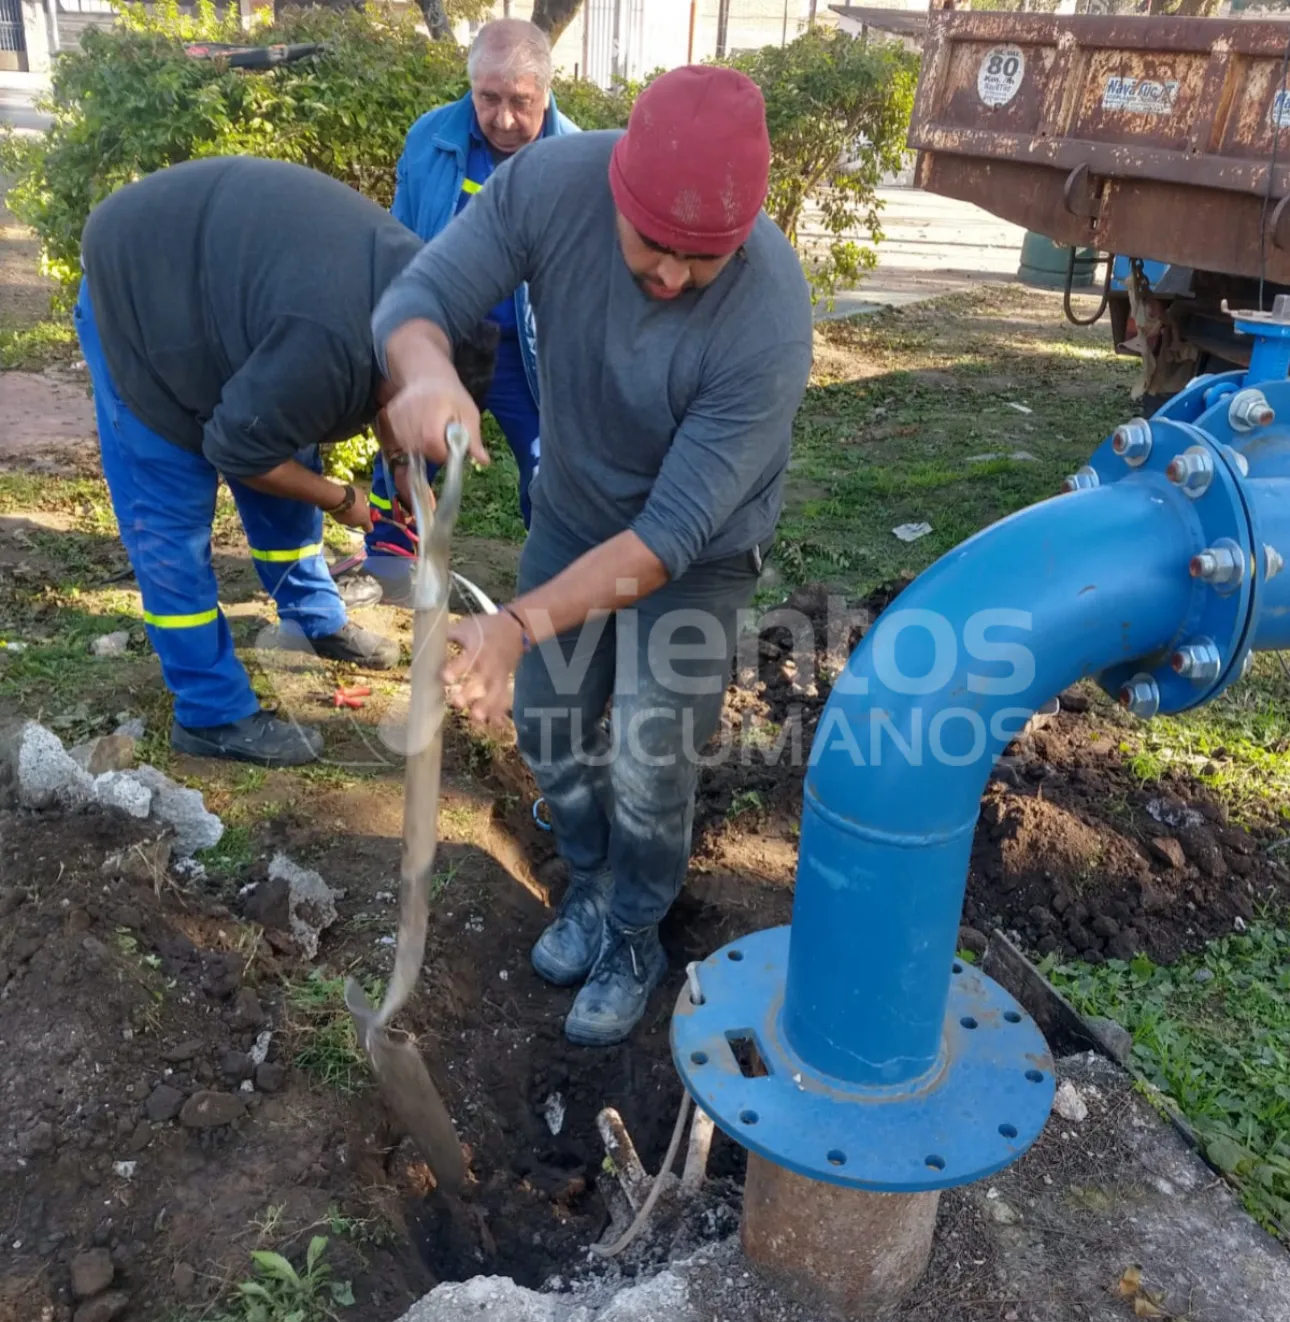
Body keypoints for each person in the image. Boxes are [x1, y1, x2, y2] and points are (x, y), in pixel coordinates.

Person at [369, 66, 815, 1046]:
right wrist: (427, 364)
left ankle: (633, 931)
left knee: (654, 753)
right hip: (573, 509)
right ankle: (588, 882)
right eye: (655, 248)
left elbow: (663, 541)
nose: (671, 279)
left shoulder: (769, 319)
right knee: (550, 720)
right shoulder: (547, 186)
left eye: (702, 261)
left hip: (696, 553)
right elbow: (420, 291)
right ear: (618, 187)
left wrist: (519, 623)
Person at [74, 155, 495, 768]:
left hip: (240, 306)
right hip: (141, 297)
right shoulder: (326, 349)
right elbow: (238, 453)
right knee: (171, 518)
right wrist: (343, 500)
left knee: (286, 447)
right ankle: (211, 712)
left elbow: (352, 395)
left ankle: (314, 616)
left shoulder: (423, 303)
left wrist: (404, 463)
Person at [334, 17, 579, 610]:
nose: (502, 119)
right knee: (407, 442)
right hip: (439, 339)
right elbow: (400, 235)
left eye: (521, 102)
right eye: (488, 98)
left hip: (528, 348)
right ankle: (394, 556)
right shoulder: (430, 138)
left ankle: (559, 574)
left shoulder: (576, 157)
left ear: (548, 89)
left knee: (553, 462)